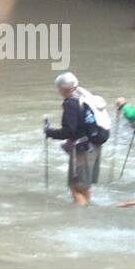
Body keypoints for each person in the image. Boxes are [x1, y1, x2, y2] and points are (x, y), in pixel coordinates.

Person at [44, 72, 107, 205]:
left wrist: (50, 132)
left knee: (76, 187)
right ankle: (87, 214)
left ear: (62, 89)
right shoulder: (84, 97)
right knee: (85, 187)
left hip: (83, 150)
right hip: (94, 145)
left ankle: (80, 220)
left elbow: (69, 131)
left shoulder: (70, 103)